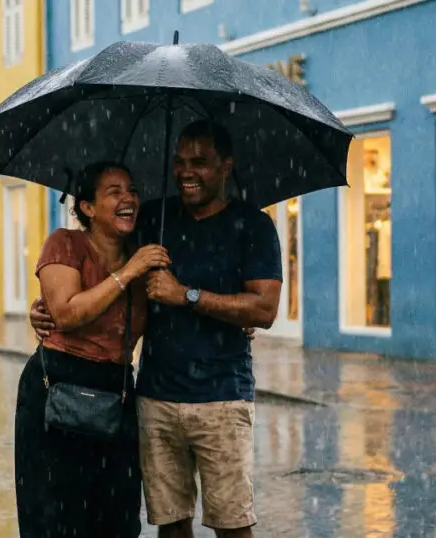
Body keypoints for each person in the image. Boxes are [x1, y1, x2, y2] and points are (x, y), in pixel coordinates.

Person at [31, 120, 283, 538]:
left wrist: (187, 295)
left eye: (200, 162)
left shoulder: (253, 226)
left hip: (221, 397)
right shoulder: (154, 219)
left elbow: (265, 307)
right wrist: (47, 306)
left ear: (226, 166)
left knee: (233, 524)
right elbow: (103, 265)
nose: (186, 171)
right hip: (154, 398)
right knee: (170, 521)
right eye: (180, 161)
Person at [15, 162, 170, 538]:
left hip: (115, 390)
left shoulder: (146, 255)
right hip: (58, 389)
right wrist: (128, 272)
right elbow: (66, 314)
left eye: (131, 190)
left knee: (116, 516)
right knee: (55, 514)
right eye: (114, 191)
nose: (128, 198)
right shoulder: (66, 244)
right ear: (87, 207)